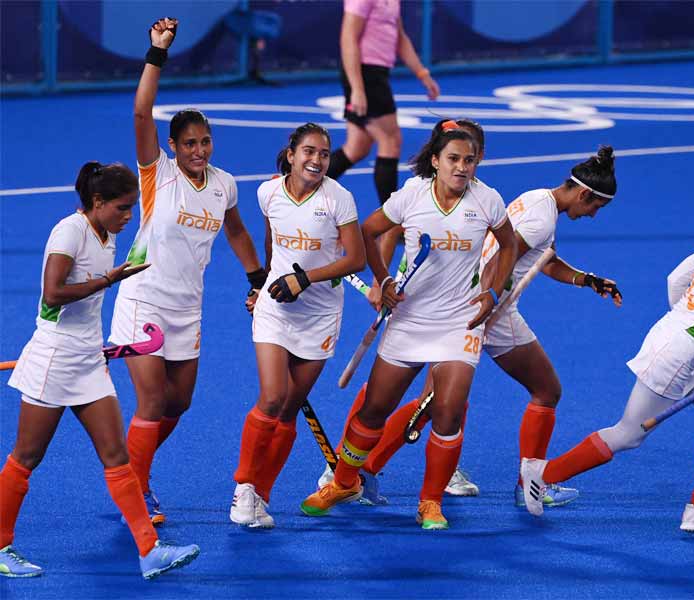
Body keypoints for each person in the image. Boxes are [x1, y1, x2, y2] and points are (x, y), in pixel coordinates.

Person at [338, 146, 623, 508]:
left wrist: (586, 279)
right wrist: (483, 306)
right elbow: (500, 261)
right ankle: (530, 484)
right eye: (595, 207)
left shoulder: (539, 200)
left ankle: (366, 471)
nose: (593, 216)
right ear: (584, 194)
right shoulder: (542, 218)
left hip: (475, 308)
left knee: (433, 403)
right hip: (489, 313)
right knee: (546, 390)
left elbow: (543, 260)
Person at [521, 194, 694, 534]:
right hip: (677, 356)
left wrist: (685, 320)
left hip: (676, 342)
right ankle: (543, 474)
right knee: (629, 434)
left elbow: (675, 280)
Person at [301, 122, 516, 529]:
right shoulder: (412, 195)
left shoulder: (488, 200)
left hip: (460, 321)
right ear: (435, 161)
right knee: (373, 410)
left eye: (469, 160)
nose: (462, 168)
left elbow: (509, 245)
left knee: (448, 410)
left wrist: (493, 293)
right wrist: (383, 280)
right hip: (410, 319)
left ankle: (430, 502)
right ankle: (345, 481)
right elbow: (368, 230)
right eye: (453, 159)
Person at [0, 162, 199, 579]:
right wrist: (107, 281)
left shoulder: (106, 236)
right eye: (123, 208)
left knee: (116, 456)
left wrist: (105, 291)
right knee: (27, 456)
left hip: (88, 360)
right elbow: (52, 295)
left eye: (132, 209)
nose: (129, 217)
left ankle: (149, 550)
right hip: (54, 358)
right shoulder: (68, 232)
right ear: (98, 202)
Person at [108, 18, 264, 525]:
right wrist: (157, 52)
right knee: (152, 401)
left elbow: (237, 232)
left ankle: (132, 466)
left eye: (205, 141)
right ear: (173, 146)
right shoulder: (157, 175)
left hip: (186, 308)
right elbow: (140, 111)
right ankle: (136, 489)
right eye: (189, 143)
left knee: (178, 404)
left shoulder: (224, 185)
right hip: (142, 299)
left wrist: (255, 277)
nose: (199, 150)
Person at [229, 123, 366, 529]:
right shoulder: (268, 192)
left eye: (324, 154)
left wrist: (305, 278)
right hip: (277, 308)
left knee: (288, 409)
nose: (317, 160)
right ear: (291, 154)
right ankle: (242, 488)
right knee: (272, 398)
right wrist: (264, 286)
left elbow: (355, 258)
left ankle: (261, 494)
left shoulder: (339, 199)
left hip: (320, 314)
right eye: (309, 151)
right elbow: (273, 245)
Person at [326, 0, 440, 209]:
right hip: (364, 74)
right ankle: (390, 222)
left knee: (357, 147)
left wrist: (422, 74)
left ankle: (300, 190)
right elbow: (348, 38)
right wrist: (358, 89)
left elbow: (400, 37)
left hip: (376, 74)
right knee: (391, 140)